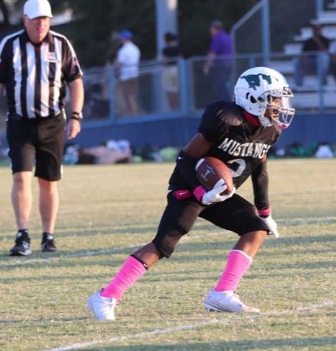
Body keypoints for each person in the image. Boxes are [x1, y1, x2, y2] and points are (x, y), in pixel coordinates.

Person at [86, 66, 295, 320]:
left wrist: (265, 212)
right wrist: (198, 191)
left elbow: (259, 169)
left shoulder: (270, 130)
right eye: (274, 99)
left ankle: (222, 294)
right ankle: (106, 296)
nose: (279, 105)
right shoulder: (225, 119)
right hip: (189, 185)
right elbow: (185, 158)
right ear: (252, 98)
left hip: (221, 192)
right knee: (164, 243)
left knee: (255, 228)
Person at [0, 0, 84, 256]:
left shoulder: (61, 44)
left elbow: (75, 80)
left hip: (52, 122)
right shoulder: (10, 45)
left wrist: (76, 116)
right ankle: (23, 234)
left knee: (48, 181)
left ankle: (48, 235)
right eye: (35, 20)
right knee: (21, 176)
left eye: (45, 20)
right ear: (25, 20)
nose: (41, 25)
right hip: (20, 123)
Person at [293, 24, 331, 89]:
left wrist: (318, 42)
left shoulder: (325, 40)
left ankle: (322, 84)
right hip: (310, 61)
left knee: (323, 58)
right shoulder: (308, 41)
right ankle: (298, 86)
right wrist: (305, 60)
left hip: (321, 62)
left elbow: (325, 51)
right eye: (315, 30)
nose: (316, 31)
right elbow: (303, 53)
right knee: (296, 62)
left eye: (318, 29)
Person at [203, 20, 233, 101]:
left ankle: (224, 103)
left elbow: (212, 53)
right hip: (229, 64)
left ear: (214, 28)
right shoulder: (227, 36)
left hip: (221, 65)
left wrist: (207, 66)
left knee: (219, 86)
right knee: (226, 84)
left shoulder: (217, 37)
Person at [115, 30, 141, 116]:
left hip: (126, 76)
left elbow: (120, 64)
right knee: (133, 96)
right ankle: (134, 113)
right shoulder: (136, 49)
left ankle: (132, 115)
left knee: (128, 97)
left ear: (124, 38)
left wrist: (116, 71)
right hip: (135, 74)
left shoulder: (123, 50)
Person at [161, 32, 182, 111]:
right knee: (176, 90)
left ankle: (172, 109)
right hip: (177, 70)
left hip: (169, 70)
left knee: (169, 91)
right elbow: (180, 59)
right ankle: (181, 105)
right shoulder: (177, 48)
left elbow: (165, 61)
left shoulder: (166, 49)